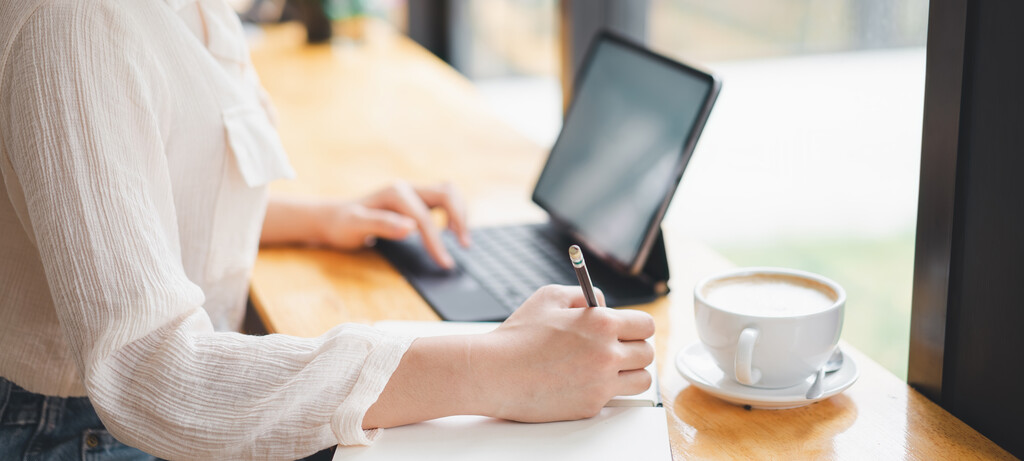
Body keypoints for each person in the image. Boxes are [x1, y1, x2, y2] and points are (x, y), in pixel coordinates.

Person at [0, 0, 656, 459]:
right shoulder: (78, 26)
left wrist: (324, 218)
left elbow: (136, 195)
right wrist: (500, 367)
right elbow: (151, 375)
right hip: (74, 433)